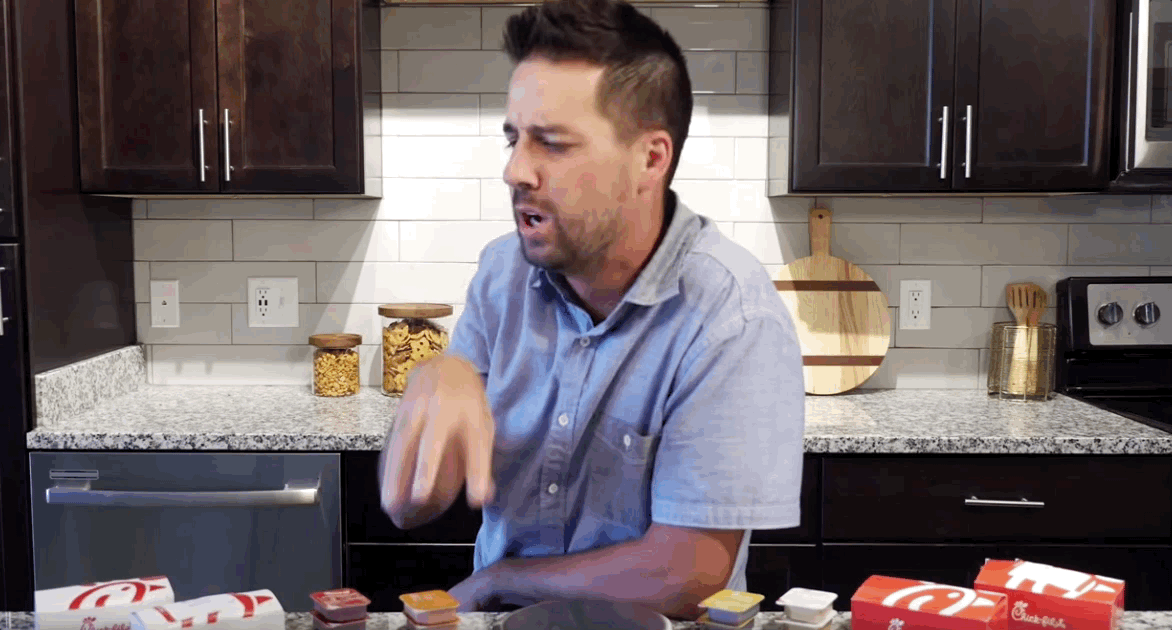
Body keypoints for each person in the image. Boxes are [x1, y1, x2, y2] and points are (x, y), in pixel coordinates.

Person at [378, 0, 805, 619]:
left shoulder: (731, 317)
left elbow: (687, 574)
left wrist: (501, 580)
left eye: (551, 144)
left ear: (650, 159)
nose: (515, 171)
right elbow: (411, 508)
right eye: (514, 139)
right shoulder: (502, 274)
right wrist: (436, 380)